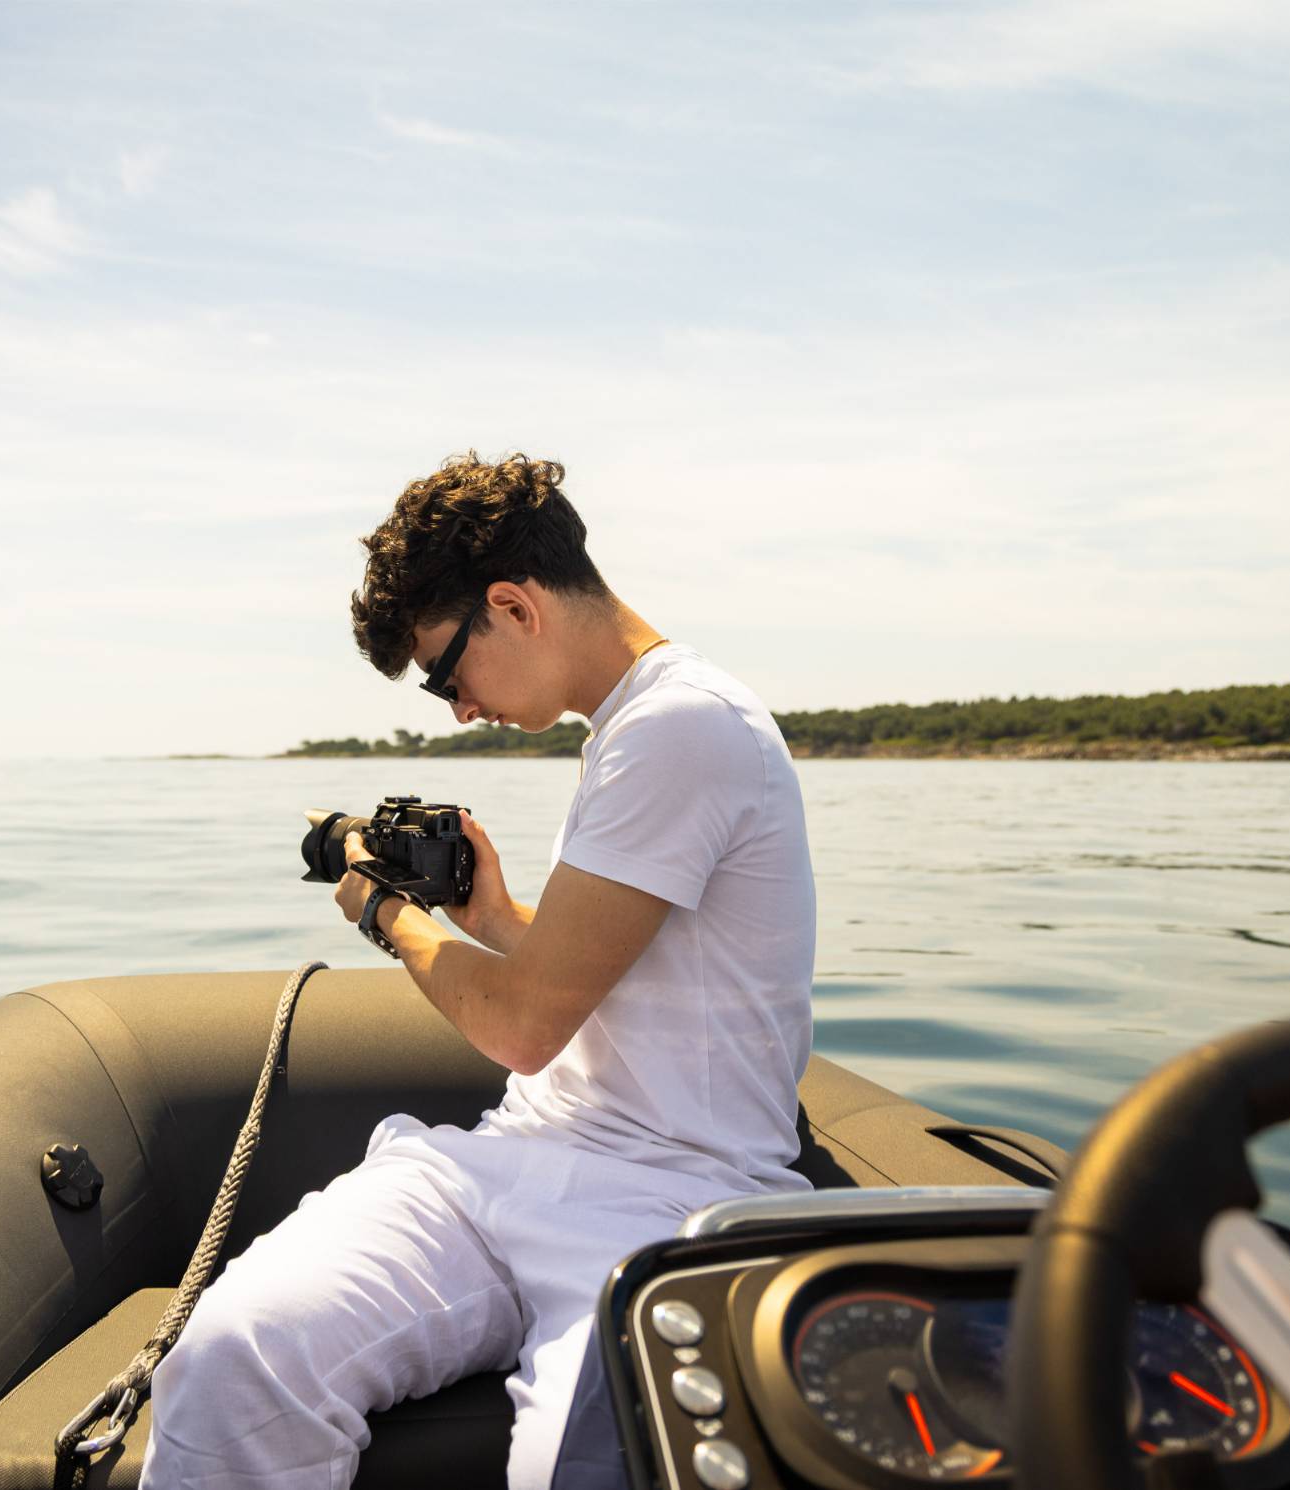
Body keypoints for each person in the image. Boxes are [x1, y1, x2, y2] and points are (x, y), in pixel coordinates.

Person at [140, 452, 816, 1490]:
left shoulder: (684, 725)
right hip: (516, 1157)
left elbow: (523, 1026)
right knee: (235, 1353)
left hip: (669, 1197)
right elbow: (608, 960)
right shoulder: (631, 728)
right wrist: (494, 915)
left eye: (448, 673)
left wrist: (384, 912)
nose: (455, 709)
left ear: (513, 604)